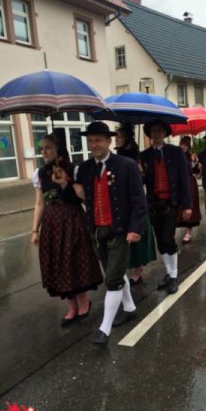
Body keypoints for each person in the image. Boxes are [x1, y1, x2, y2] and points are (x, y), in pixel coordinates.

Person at [54, 121, 147, 345]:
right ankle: (130, 307)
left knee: (113, 279)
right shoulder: (85, 168)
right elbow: (77, 199)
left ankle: (104, 329)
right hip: (96, 231)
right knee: (115, 273)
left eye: (98, 140)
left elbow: (139, 201)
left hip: (120, 230)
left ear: (109, 141)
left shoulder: (126, 165)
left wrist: (136, 228)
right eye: (91, 140)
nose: (94, 144)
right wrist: (64, 184)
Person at [31, 134, 103, 327]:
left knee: (75, 260)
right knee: (58, 264)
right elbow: (40, 202)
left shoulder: (74, 169)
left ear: (58, 149)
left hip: (72, 219)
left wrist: (65, 182)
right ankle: (71, 306)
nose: (44, 152)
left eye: (48, 147)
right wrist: (34, 230)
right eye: (42, 148)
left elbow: (83, 198)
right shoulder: (40, 173)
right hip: (52, 223)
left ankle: (84, 302)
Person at [140, 119, 191, 294]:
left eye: (159, 131)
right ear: (150, 134)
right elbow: (142, 181)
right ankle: (169, 274)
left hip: (172, 203)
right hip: (154, 205)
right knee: (160, 242)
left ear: (165, 133)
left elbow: (184, 179)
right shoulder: (144, 156)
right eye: (153, 131)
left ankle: (174, 276)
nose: (156, 134)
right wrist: (139, 172)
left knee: (168, 239)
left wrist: (187, 205)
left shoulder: (176, 152)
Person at [115, 122, 156, 285]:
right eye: (116, 137)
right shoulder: (116, 155)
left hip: (134, 201)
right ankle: (126, 267)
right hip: (120, 202)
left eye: (119, 137)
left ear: (127, 138)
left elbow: (141, 179)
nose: (116, 139)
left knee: (136, 235)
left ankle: (137, 269)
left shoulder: (134, 157)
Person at [177, 136, 202, 243]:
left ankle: (188, 232)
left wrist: (195, 162)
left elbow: (196, 172)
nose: (183, 147)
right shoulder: (176, 156)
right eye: (181, 144)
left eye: (185, 145)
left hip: (190, 184)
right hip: (178, 185)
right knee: (178, 208)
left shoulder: (191, 157)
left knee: (190, 206)